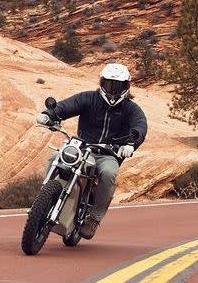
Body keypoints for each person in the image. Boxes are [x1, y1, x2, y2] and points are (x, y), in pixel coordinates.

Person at [35, 63, 147, 239]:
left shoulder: (131, 109)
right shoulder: (88, 98)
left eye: (117, 86)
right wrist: (49, 114)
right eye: (109, 84)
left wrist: (131, 143)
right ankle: (44, 198)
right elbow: (66, 106)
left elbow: (139, 126)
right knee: (56, 156)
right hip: (82, 147)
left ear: (126, 87)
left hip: (108, 153)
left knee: (109, 173)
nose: (112, 89)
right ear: (101, 83)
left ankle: (94, 219)